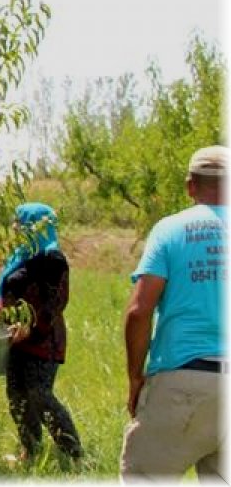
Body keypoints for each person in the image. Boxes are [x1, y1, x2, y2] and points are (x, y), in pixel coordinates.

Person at [120, 145, 227, 481]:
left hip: (183, 383)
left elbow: (140, 310)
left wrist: (136, 378)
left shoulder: (170, 230)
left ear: (190, 186)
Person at [0, 202, 82, 464]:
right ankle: (29, 451)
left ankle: (73, 453)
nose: (14, 227)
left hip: (44, 338)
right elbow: (5, 287)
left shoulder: (53, 259)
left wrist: (30, 328)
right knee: (16, 395)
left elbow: (57, 301)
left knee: (39, 395)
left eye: (19, 222)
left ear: (35, 225)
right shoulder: (18, 255)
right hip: (14, 338)